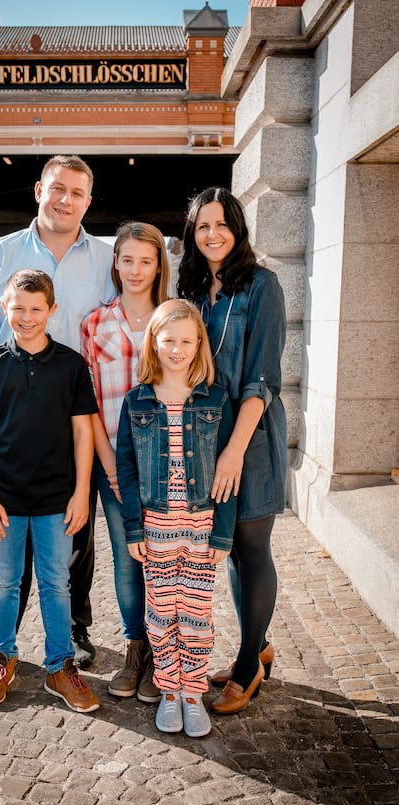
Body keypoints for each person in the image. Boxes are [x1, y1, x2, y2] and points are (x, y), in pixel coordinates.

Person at [0, 155, 115, 685]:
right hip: (13, 423)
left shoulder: (107, 259)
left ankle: (74, 632)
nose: (65, 199)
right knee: (2, 538)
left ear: (88, 201)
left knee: (74, 533)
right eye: (57, 188)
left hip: (76, 420)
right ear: (39, 190)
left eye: (77, 192)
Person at [0, 269, 100, 712]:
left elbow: (83, 434)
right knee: (4, 584)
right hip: (4, 498)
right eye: (17, 308)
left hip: (56, 500)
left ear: (51, 310)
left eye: (35, 308)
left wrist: (82, 493)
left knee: (56, 584)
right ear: (5, 308)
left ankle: (60, 667)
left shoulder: (70, 365)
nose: (26, 316)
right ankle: (1, 658)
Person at [177, 186, 287, 715]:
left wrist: (234, 451)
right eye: (203, 226)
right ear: (192, 235)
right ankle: (257, 643)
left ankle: (248, 667)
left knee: (252, 545)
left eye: (222, 224)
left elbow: (263, 378)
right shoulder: (194, 290)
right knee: (229, 550)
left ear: (237, 229)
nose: (213, 234)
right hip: (206, 439)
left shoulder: (262, 286)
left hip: (251, 438)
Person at [116, 299, 237, 737]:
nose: (177, 348)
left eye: (187, 340)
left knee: (197, 615)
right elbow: (126, 471)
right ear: (153, 342)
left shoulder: (216, 400)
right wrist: (133, 527)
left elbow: (229, 474)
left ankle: (193, 692)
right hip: (156, 528)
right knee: (161, 613)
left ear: (199, 344)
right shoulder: (137, 402)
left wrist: (223, 534)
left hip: (201, 527)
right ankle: (168, 690)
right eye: (168, 339)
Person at [81, 222, 169, 703]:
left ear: (159, 266)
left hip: (168, 459)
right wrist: (109, 462)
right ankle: (136, 649)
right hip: (115, 461)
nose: (135, 270)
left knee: (165, 555)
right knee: (127, 555)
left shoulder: (175, 319)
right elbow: (89, 404)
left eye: (146, 260)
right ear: (115, 262)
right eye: (127, 259)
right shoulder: (95, 324)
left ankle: (163, 652)